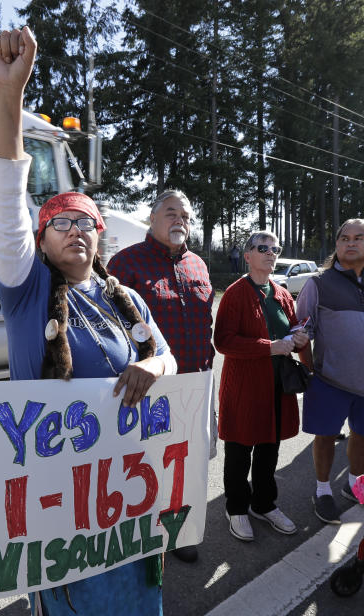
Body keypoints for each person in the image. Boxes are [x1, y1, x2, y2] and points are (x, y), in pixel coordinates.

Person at [0, 27, 177, 616]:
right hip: (58, 494)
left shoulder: (125, 298)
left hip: (125, 490)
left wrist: (150, 364)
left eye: (86, 222)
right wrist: (9, 97)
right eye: (60, 223)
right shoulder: (28, 290)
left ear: (100, 237)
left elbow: (168, 358)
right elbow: (4, 201)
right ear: (39, 242)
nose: (76, 230)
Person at [108, 189, 214, 562]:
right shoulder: (125, 264)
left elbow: (206, 323)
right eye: (171, 213)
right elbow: (109, 328)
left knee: (185, 463)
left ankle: (179, 532)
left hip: (196, 385)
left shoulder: (199, 265)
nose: (180, 221)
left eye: (185, 215)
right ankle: (136, 536)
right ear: (152, 219)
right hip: (149, 388)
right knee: (144, 465)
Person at [296, 219, 364, 524]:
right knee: (326, 436)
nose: (350, 243)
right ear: (337, 245)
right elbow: (301, 332)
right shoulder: (318, 284)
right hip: (330, 380)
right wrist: (311, 371)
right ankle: (322, 490)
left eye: (358, 238)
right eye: (344, 238)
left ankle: (356, 484)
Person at [213, 231, 309, 541]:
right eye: (262, 248)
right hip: (245, 388)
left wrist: (299, 338)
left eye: (275, 249)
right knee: (240, 450)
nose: (270, 253)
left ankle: (264, 504)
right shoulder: (235, 293)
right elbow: (224, 341)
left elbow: (292, 328)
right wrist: (270, 347)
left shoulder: (281, 293)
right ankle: (237, 508)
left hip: (277, 387)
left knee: (270, 448)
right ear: (248, 256)